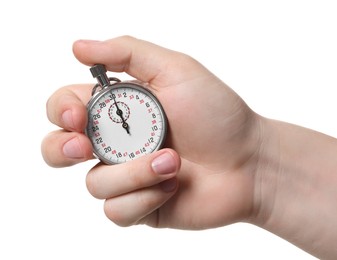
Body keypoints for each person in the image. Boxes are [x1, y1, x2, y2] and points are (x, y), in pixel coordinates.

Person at [41, 36, 337, 259]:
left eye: (123, 113)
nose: (121, 118)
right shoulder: (99, 114)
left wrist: (255, 162)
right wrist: (255, 166)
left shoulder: (134, 105)